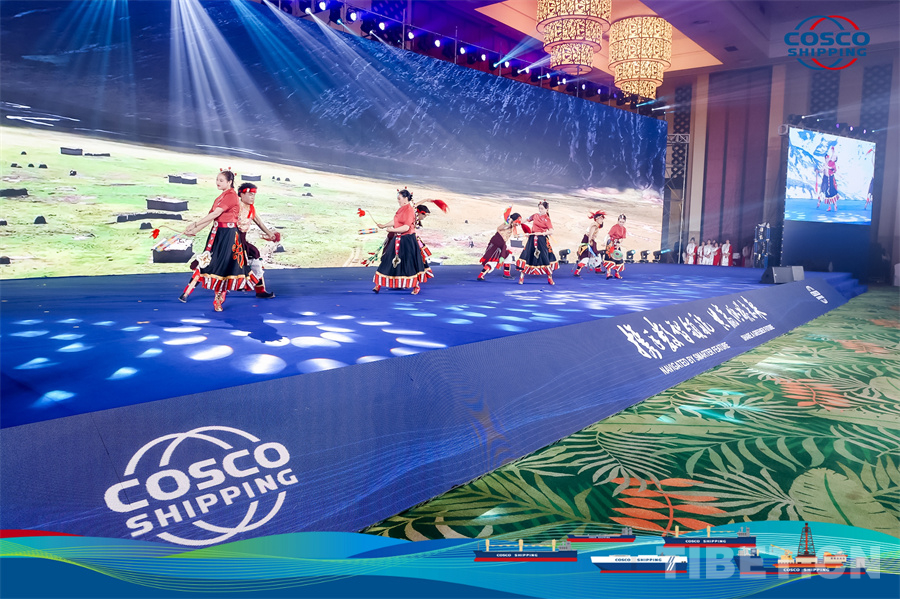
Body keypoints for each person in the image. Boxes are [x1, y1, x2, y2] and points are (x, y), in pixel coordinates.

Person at [180, 170, 257, 311]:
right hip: (217, 234)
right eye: (217, 180)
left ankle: (218, 300)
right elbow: (211, 217)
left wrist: (195, 224)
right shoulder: (220, 198)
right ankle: (188, 292)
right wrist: (194, 230)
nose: (217, 182)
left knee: (223, 267)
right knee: (206, 261)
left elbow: (216, 213)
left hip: (229, 236)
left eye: (221, 180)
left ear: (230, 182)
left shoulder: (231, 196)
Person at [372, 189, 429, 294]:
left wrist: (392, 230)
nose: (398, 201)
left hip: (407, 240)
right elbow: (396, 221)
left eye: (399, 198)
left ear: (406, 198)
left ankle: (416, 286)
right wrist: (384, 225)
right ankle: (378, 284)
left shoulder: (409, 210)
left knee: (408, 263)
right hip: (398, 238)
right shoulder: (401, 209)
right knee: (388, 259)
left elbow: (406, 227)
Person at [236, 183, 279, 298]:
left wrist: (269, 233)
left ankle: (260, 290)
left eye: (254, 195)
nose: (252, 197)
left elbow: (259, 222)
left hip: (242, 240)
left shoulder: (250, 208)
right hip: (231, 240)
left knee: (254, 256)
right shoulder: (235, 207)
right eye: (250, 194)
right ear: (241, 194)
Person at [516, 201, 557, 285]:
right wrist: (518, 222)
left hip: (542, 240)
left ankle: (550, 278)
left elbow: (551, 231)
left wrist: (542, 233)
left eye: (542, 208)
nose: (540, 210)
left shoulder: (547, 219)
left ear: (547, 209)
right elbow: (526, 220)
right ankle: (521, 277)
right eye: (539, 208)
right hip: (532, 238)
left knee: (545, 257)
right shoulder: (535, 215)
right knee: (526, 255)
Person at [477, 212, 522, 280]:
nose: (518, 224)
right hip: (497, 244)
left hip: (501, 245)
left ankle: (506, 274)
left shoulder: (512, 226)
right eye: (517, 221)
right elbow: (499, 228)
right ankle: (481, 275)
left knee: (508, 257)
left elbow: (515, 234)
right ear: (513, 220)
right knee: (493, 261)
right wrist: (508, 223)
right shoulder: (507, 225)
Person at [573, 211, 606, 276]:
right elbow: (590, 235)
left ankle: (598, 269)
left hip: (590, 241)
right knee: (587, 257)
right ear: (597, 219)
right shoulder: (594, 226)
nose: (602, 220)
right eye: (601, 219)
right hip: (588, 242)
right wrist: (589, 243)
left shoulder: (595, 225)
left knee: (595, 256)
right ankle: (577, 271)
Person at [603, 214, 627, 279]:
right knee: (609, 257)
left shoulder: (624, 229)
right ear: (618, 221)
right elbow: (608, 235)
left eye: (623, 222)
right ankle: (608, 273)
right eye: (620, 222)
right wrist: (604, 242)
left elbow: (622, 238)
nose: (621, 223)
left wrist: (619, 244)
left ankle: (617, 273)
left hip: (617, 244)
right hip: (611, 243)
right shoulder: (614, 227)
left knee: (618, 258)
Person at [817, 145, 839, 211]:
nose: (827, 159)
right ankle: (828, 206)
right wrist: (818, 171)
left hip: (831, 180)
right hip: (825, 180)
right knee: (826, 192)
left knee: (832, 192)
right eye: (826, 158)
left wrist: (833, 151)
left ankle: (835, 205)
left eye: (827, 158)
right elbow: (821, 170)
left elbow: (833, 157)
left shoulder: (831, 163)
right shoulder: (825, 165)